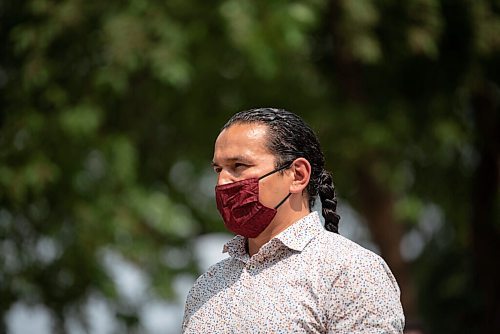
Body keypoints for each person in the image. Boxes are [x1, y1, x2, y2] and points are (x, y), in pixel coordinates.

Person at [182, 108, 405, 333]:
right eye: (218, 169)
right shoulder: (207, 284)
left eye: (239, 166)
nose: (222, 183)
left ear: (297, 175)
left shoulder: (352, 272)